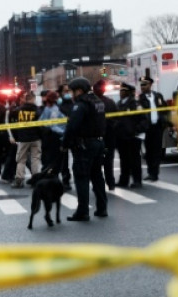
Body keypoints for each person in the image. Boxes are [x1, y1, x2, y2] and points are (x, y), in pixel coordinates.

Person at [62, 77, 107, 221]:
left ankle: (82, 211)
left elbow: (72, 126)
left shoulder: (81, 105)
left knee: (81, 178)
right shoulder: (97, 101)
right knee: (97, 176)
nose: (71, 95)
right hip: (98, 143)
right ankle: (102, 208)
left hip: (85, 145)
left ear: (79, 90)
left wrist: (64, 143)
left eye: (72, 91)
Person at [138, 76, 169, 181]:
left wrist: (165, 122)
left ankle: (155, 173)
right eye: (141, 85)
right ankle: (151, 172)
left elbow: (165, 109)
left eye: (144, 84)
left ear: (150, 85)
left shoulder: (158, 96)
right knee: (149, 151)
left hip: (157, 127)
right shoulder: (140, 98)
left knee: (157, 151)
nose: (142, 87)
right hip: (147, 128)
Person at [114, 82, 144, 188]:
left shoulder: (135, 104)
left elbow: (143, 119)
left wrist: (136, 130)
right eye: (120, 91)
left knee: (135, 159)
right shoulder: (118, 104)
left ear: (128, 92)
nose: (121, 93)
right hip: (121, 137)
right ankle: (124, 180)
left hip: (133, 137)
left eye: (123, 91)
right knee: (124, 159)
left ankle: (137, 180)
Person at [10, 91, 42, 188]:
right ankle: (35, 179)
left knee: (21, 159)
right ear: (33, 99)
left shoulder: (18, 110)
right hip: (35, 138)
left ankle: (19, 179)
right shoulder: (37, 110)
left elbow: (13, 123)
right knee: (35, 159)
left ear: (26, 99)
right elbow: (41, 124)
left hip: (23, 138)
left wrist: (15, 136)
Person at [93, 80, 118, 189]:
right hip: (108, 135)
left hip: (97, 136)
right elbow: (116, 118)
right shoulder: (110, 102)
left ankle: (99, 184)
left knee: (97, 162)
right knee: (108, 161)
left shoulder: (91, 103)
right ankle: (110, 182)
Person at [38, 91, 65, 172]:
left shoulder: (51, 109)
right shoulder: (53, 109)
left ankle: (47, 174)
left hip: (50, 136)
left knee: (49, 159)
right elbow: (53, 125)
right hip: (52, 136)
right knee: (52, 160)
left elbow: (42, 122)